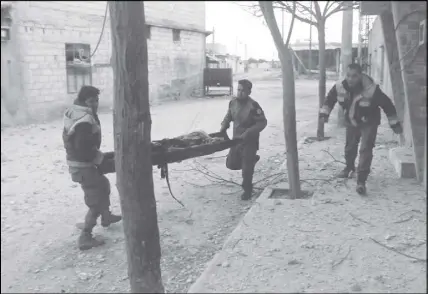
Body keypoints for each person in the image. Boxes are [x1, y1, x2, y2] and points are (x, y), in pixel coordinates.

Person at [319, 64, 403, 195]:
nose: (350, 79)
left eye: (354, 76)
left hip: (369, 122)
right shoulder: (339, 86)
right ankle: (349, 168)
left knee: (365, 149)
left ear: (361, 75)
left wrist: (395, 124)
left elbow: (388, 105)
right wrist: (324, 114)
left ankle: (361, 181)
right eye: (348, 75)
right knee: (350, 147)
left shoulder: (372, 89)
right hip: (352, 120)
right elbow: (329, 100)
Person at [62, 85, 122, 250]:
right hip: (82, 165)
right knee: (96, 199)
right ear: (83, 100)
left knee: (104, 185)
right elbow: (83, 148)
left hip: (77, 162)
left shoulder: (75, 111)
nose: (95, 103)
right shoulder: (84, 120)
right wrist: (100, 159)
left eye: (96, 100)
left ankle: (106, 216)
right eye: (91, 100)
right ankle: (85, 237)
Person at [220, 79, 267, 200]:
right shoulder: (233, 103)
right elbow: (228, 116)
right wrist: (223, 126)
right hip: (236, 139)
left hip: (249, 141)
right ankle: (253, 160)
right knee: (231, 164)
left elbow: (262, 122)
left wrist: (249, 132)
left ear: (249, 92)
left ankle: (247, 190)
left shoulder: (253, 106)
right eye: (238, 90)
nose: (240, 93)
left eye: (243, 91)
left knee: (246, 170)